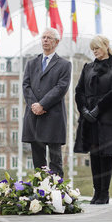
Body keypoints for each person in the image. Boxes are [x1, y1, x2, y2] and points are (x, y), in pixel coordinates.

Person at [74, 35, 112, 204]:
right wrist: (84, 110)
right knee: (94, 155)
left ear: (106, 46)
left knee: (105, 155)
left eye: (97, 48)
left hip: (107, 117)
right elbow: (79, 91)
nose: (95, 51)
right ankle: (96, 192)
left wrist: (98, 109)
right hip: (89, 118)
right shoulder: (88, 67)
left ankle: (105, 193)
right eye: (93, 49)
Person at [22, 28, 72, 177]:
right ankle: (41, 191)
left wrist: (42, 105)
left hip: (53, 117)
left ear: (56, 42)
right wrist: (35, 105)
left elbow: (61, 88)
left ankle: (57, 194)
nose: (45, 40)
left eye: (49, 38)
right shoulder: (31, 63)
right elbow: (26, 86)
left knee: (55, 159)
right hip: (34, 116)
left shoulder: (64, 64)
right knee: (38, 159)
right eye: (43, 37)